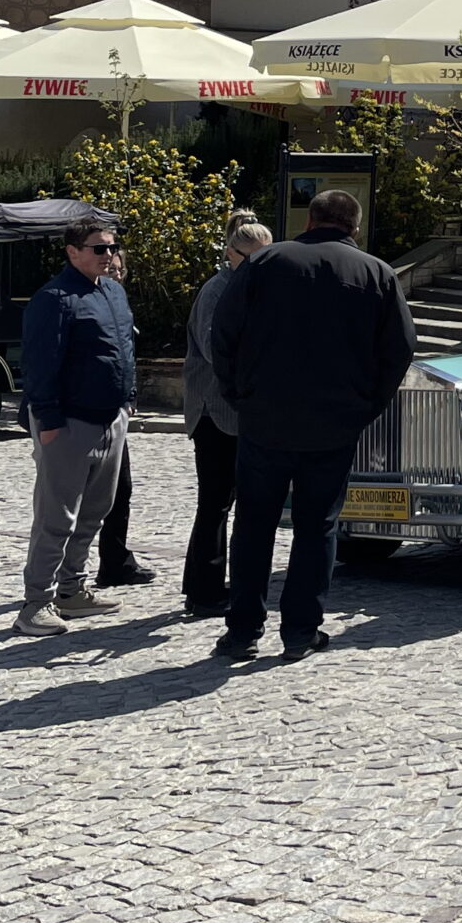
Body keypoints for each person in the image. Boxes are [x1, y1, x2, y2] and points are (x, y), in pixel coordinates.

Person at [210, 188, 413, 661]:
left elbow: (224, 332)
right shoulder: (377, 273)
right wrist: (367, 406)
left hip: (265, 418)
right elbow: (399, 349)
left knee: (254, 524)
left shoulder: (264, 263)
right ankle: (300, 631)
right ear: (355, 227)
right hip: (334, 424)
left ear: (309, 220)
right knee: (317, 527)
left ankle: (242, 630)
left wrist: (239, 395)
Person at [14, 219, 137, 638]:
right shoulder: (54, 299)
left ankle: (71, 589)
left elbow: (124, 347)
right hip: (68, 422)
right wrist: (48, 422)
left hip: (110, 418)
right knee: (56, 517)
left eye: (112, 247)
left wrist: (128, 398)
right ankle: (36, 602)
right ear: (72, 252)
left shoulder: (113, 293)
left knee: (95, 511)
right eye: (99, 248)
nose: (109, 255)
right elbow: (39, 363)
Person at [180, 212, 268, 619]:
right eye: (256, 259)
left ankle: (205, 583)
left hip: (241, 411)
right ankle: (205, 590)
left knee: (231, 500)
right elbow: (217, 351)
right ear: (233, 254)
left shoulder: (250, 288)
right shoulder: (217, 291)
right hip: (215, 412)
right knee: (215, 502)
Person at [91, 238, 158, 591]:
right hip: (84, 413)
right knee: (76, 498)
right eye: (111, 270)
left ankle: (114, 562)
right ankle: (62, 575)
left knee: (121, 489)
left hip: (116, 410)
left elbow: (126, 358)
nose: (116, 275)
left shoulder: (120, 306)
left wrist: (129, 399)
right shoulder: (85, 304)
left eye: (120, 270)